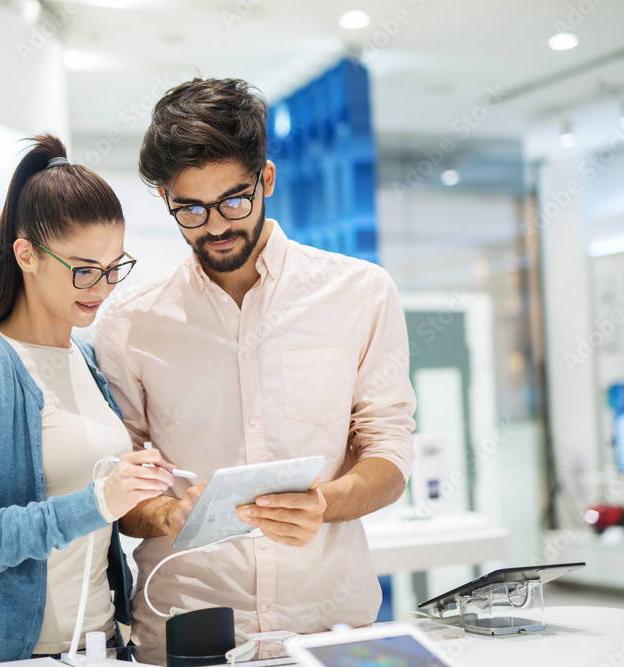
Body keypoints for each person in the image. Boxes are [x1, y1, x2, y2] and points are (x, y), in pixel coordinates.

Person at [91, 78, 417, 644]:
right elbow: (121, 489)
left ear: (266, 178)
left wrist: (324, 503)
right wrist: (166, 515)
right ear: (166, 200)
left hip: (328, 626)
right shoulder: (129, 322)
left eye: (233, 201)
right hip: (186, 632)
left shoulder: (360, 294)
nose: (215, 225)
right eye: (189, 209)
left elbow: (388, 452)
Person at [0, 134, 177, 667]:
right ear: (26, 255)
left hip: (102, 648)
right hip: (10, 657)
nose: (102, 288)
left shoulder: (86, 358)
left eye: (114, 268)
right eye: (84, 269)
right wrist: (97, 501)